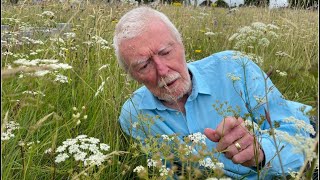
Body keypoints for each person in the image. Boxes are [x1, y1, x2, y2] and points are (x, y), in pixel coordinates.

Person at [113, 7, 313, 179]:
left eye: (166, 52)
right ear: (132, 75)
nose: (162, 70)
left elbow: (297, 136)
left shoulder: (235, 67)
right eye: (144, 65)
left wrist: (260, 152)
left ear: (182, 45)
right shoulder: (135, 115)